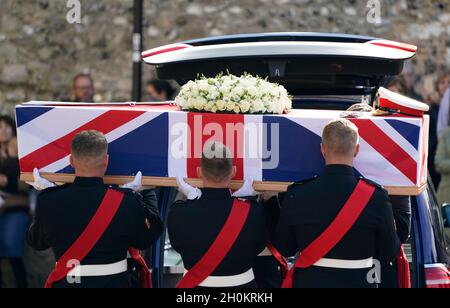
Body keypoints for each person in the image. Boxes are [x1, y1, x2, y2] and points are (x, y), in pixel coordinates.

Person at [272, 118, 400, 288]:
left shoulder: (298, 194)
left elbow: (284, 247)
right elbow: (390, 251)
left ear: (323, 150)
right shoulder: (376, 197)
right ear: (356, 150)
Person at [27, 130, 162, 288]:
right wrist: (145, 193)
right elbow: (148, 236)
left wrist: (47, 198)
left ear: (71, 160)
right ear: (106, 161)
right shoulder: (125, 202)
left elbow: (36, 242)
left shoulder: (49, 201)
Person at [168, 141, 266, 288]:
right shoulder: (253, 212)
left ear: (199, 172)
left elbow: (177, 246)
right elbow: (259, 247)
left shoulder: (179, 212)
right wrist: (244, 201)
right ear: (233, 172)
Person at [0, 116, 30, 288]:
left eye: (7, 126)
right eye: (0, 127)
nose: (3, 130)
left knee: (13, 251)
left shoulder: (22, 150)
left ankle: (22, 284)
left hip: (17, 206)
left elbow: (24, 184)